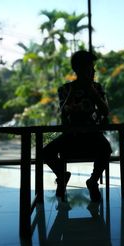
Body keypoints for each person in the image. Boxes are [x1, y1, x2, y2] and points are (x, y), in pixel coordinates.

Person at [42, 50, 112, 202]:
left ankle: (93, 181)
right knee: (45, 153)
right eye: (90, 68)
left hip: (93, 135)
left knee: (106, 148)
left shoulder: (97, 88)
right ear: (79, 70)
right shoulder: (65, 89)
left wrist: (92, 92)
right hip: (70, 136)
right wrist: (73, 92)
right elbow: (63, 114)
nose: (93, 71)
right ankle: (62, 175)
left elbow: (105, 112)